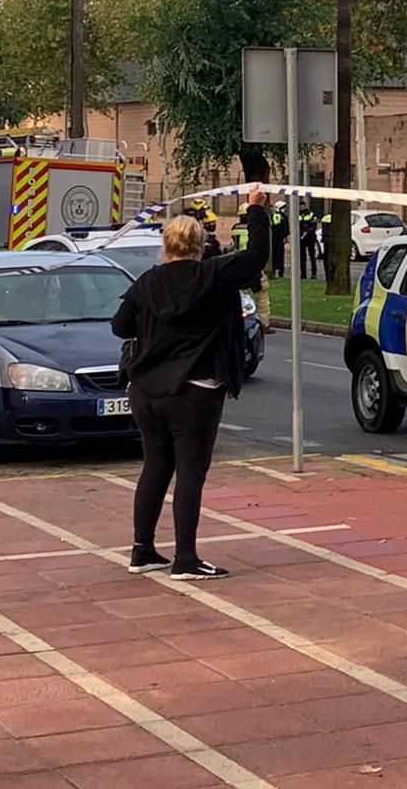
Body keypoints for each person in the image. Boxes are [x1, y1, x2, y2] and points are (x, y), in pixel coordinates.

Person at [113, 188, 270, 581]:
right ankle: (185, 557)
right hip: (195, 389)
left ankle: (142, 549)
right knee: (190, 471)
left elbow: (121, 327)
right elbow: (256, 257)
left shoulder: (148, 282)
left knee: (155, 465)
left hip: (147, 390)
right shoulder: (212, 276)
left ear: (165, 245)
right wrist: (255, 209)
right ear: (201, 245)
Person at [298, 201, 320, 280]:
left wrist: (306, 232)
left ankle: (314, 273)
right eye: (300, 206)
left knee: (312, 255)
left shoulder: (311, 214)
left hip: (310, 237)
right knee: (302, 256)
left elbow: (314, 226)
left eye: (302, 206)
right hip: (301, 238)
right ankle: (303, 274)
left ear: (305, 206)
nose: (301, 207)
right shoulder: (297, 215)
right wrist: (300, 234)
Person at [269, 199, 288, 279]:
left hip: (276, 238)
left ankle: (277, 272)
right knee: (278, 256)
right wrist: (285, 235)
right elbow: (284, 227)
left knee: (276, 256)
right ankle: (278, 272)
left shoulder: (277, 216)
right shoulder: (279, 216)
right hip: (277, 239)